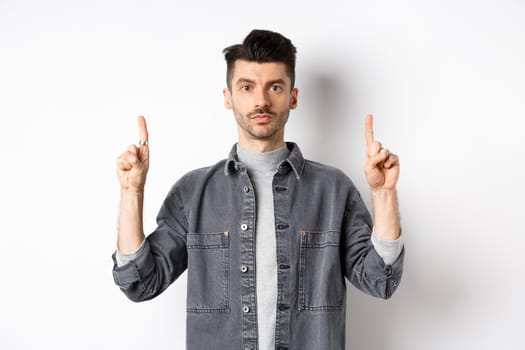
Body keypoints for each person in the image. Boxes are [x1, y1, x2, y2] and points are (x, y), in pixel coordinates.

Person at [112, 29, 404, 350]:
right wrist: (132, 192)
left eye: (275, 87)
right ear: (228, 97)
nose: (261, 101)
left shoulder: (334, 191)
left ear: (292, 96)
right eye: (247, 87)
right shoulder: (193, 194)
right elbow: (140, 283)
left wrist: (384, 193)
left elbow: (381, 280)